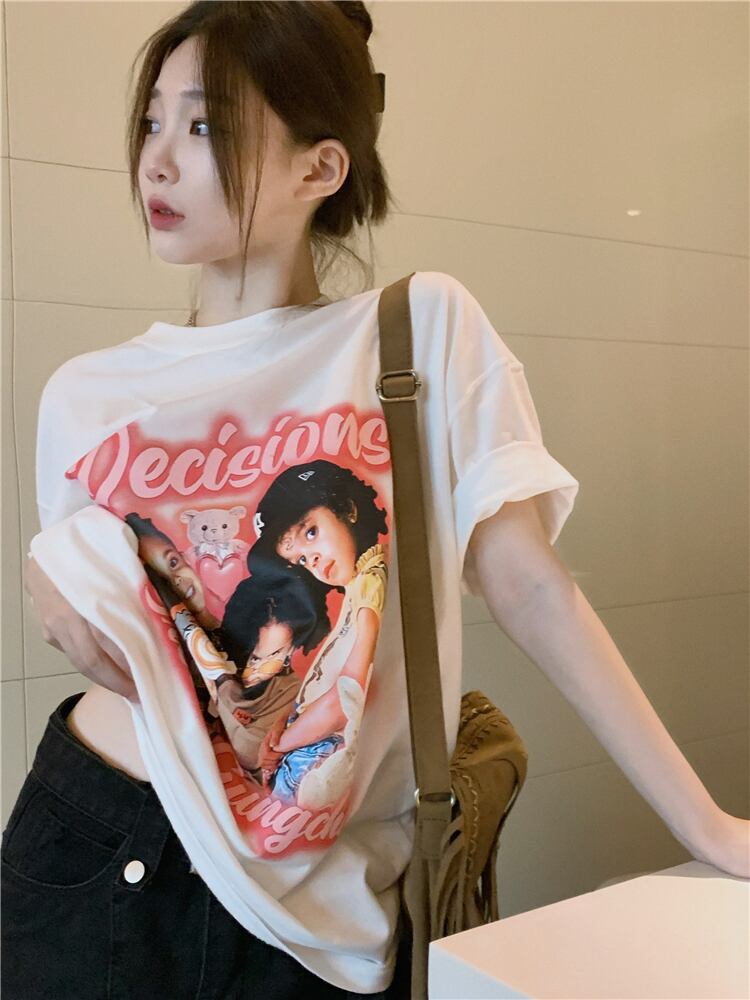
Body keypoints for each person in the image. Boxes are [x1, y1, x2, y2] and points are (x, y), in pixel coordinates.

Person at [4, 2, 748, 999]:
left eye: (205, 125)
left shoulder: (416, 334)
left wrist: (706, 824)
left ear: (320, 167)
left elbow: (532, 590)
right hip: (97, 840)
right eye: (151, 122)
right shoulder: (85, 396)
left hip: (327, 891)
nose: (157, 162)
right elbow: (116, 632)